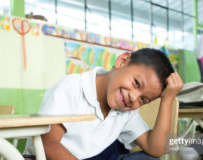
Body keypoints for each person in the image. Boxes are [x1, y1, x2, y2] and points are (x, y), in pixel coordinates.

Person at [24, 48, 183, 160]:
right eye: (136, 83)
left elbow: (155, 149)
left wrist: (167, 100)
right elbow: (48, 144)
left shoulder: (127, 111)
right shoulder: (71, 88)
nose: (133, 98)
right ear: (122, 61)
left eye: (143, 100)